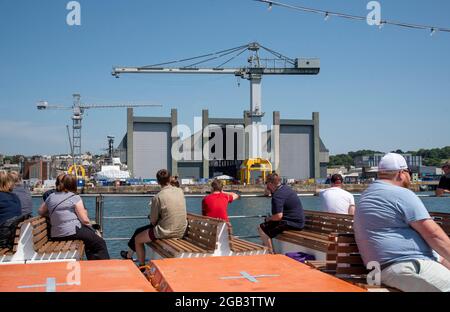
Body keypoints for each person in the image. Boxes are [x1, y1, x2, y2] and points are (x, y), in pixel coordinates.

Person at [354, 153, 450, 292]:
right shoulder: (401, 193)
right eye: (409, 172)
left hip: (379, 270)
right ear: (401, 173)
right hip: (406, 265)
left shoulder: (366, 195)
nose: (410, 177)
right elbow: (433, 235)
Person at [121, 169, 187, 267]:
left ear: (157, 181)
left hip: (166, 232)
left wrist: (152, 215)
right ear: (169, 178)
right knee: (139, 231)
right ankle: (129, 256)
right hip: (181, 230)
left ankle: (142, 266)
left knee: (138, 239)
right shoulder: (180, 191)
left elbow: (153, 221)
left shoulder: (158, 197)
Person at [38, 174, 110, 260]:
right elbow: (85, 220)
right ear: (74, 185)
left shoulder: (51, 196)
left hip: (55, 234)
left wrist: (55, 215)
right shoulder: (74, 197)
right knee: (99, 242)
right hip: (72, 232)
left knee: (89, 240)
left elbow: (40, 211)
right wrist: (94, 230)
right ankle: (102, 266)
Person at [258, 172, 305, 253]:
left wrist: (268, 218)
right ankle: (267, 251)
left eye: (266, 183)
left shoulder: (277, 196)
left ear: (270, 183)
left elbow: (278, 216)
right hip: (297, 221)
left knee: (262, 228)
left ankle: (271, 254)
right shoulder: (285, 188)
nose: (266, 185)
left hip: (292, 223)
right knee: (266, 228)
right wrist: (268, 191)